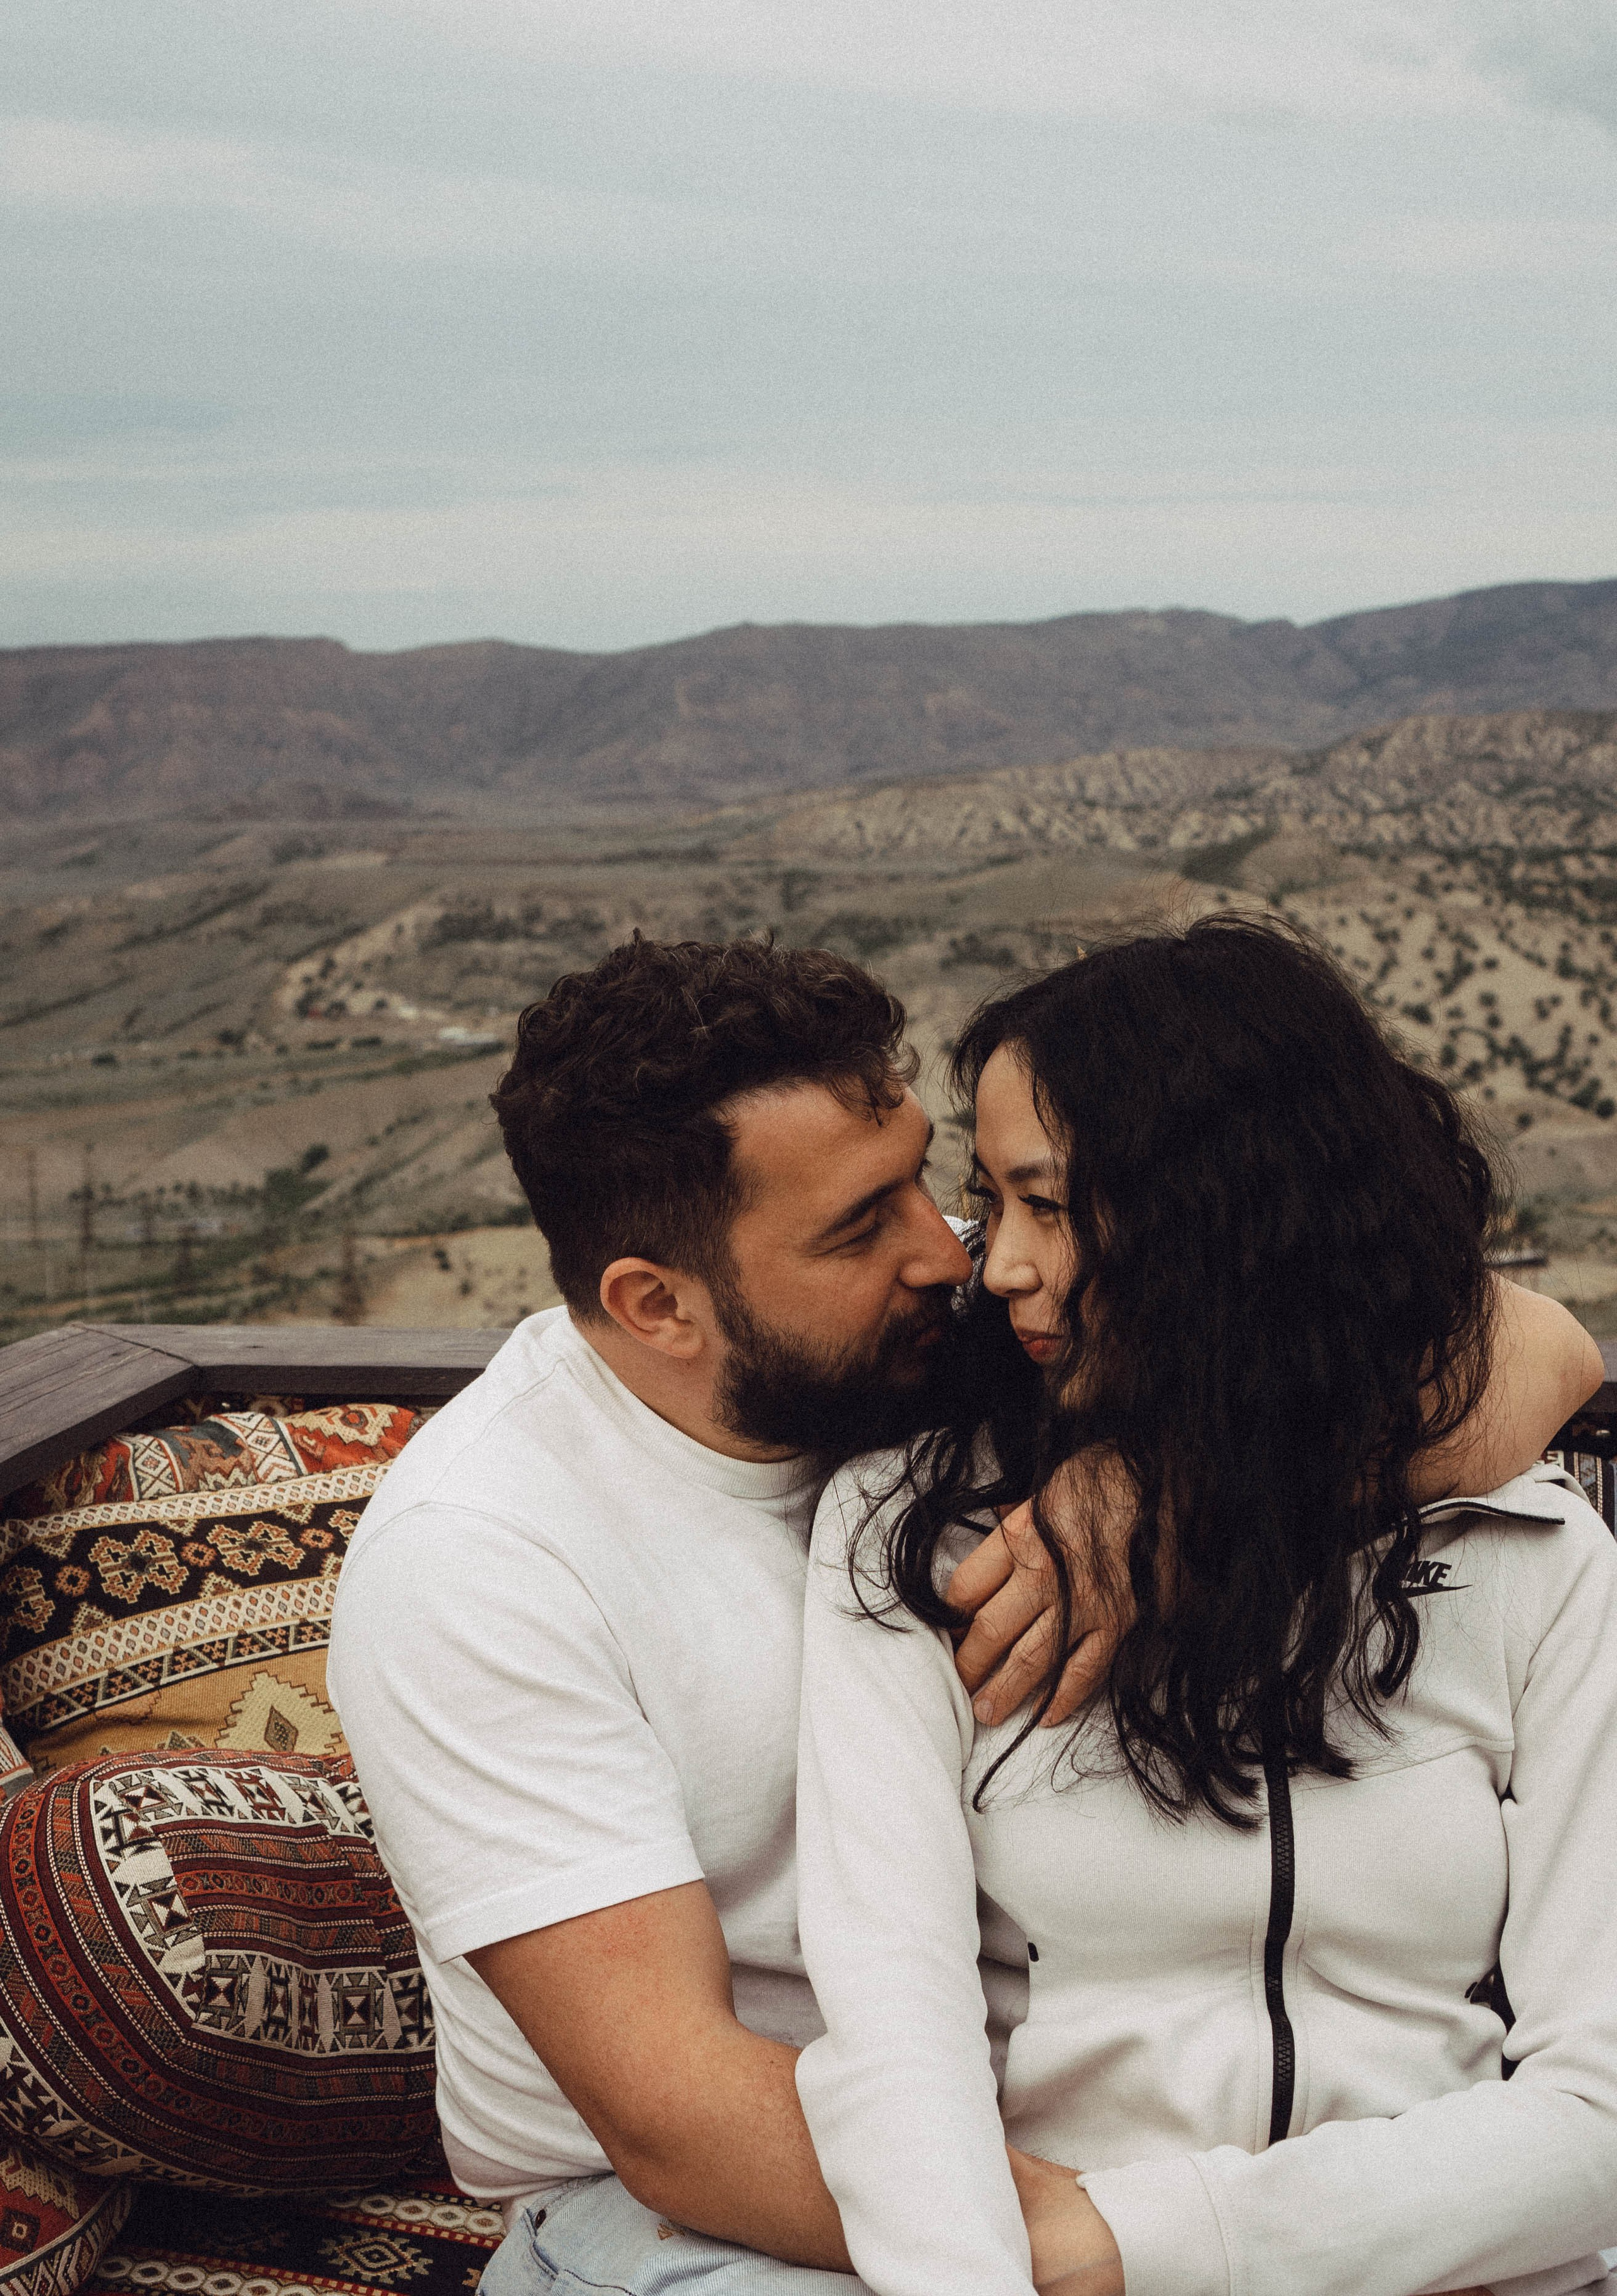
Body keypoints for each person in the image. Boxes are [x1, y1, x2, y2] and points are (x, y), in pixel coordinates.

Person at [328, 930, 1599, 2296]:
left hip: (1073, 2179)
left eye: (933, 1187)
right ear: (661, 1306)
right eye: (860, 1226)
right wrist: (1106, 2247)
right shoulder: (490, 1558)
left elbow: (1522, 1342)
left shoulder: (952, 1351)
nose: (956, 1255)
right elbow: (677, 2121)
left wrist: (1178, 1486)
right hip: (725, 2206)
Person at [794, 913, 1617, 2296]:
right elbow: (896, 2038)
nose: (993, 1266)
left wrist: (1150, 2239)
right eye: (990, 1201)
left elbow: (1600, 2105)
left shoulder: (1530, 1552)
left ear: (1225, 1214)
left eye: (1045, 1207)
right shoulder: (914, 1543)